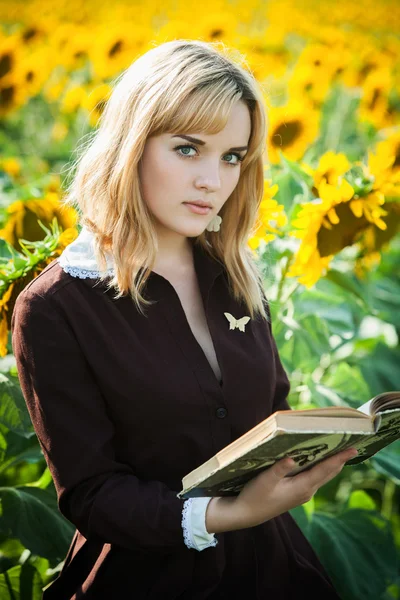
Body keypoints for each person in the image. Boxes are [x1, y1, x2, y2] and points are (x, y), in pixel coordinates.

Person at [11, 39, 358, 599]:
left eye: (231, 157)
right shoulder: (55, 308)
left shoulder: (239, 275)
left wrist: (314, 453)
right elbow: (92, 494)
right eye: (188, 149)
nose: (213, 180)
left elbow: (270, 410)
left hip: (275, 569)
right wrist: (230, 514)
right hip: (147, 580)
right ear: (131, 145)